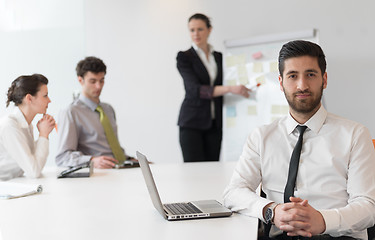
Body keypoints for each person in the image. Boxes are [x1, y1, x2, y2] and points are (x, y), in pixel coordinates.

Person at [223, 40, 375, 239]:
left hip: (338, 236)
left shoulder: (355, 134)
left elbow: (368, 206)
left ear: (324, 79)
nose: (302, 85)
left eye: (310, 75)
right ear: (281, 82)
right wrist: (271, 210)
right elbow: (233, 192)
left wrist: (322, 220)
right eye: (293, 76)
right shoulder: (261, 137)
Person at [177, 13, 250, 162]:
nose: (195, 34)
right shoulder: (184, 57)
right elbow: (195, 90)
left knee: (213, 170)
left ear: (209, 30)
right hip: (192, 123)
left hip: (215, 123)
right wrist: (230, 88)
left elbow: (233, 76)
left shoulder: (219, 57)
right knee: (194, 172)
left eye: (200, 29)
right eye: (192, 30)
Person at [55, 56, 131, 169]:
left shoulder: (108, 109)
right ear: (80, 80)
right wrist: (91, 161)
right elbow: (63, 157)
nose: (98, 86)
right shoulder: (71, 112)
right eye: (93, 81)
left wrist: (130, 160)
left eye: (101, 80)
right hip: (98, 173)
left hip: (120, 167)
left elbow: (112, 147)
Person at [0, 74, 55, 181]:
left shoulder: (27, 125)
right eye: (45, 96)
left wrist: (43, 135)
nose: (49, 100)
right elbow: (34, 171)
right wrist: (43, 135)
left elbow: (34, 161)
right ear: (29, 98)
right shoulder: (10, 126)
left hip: (13, 182)